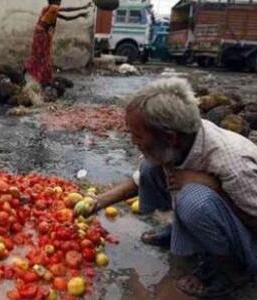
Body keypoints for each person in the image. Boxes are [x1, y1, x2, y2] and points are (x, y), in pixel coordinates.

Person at [93, 78, 257, 298]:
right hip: (216, 204)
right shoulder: (182, 139)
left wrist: (214, 187)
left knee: (194, 201)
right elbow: (140, 179)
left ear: (170, 137)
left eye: (138, 136)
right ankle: (181, 231)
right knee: (150, 167)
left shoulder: (234, 163)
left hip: (249, 239)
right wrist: (100, 201)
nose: (133, 141)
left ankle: (227, 271)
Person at [25, 0, 91, 86]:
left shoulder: (49, 8)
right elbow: (68, 11)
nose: (60, 2)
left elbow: (65, 17)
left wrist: (81, 11)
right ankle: (40, 77)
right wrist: (82, 10)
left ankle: (33, 74)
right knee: (42, 56)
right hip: (42, 34)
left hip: (39, 33)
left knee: (39, 55)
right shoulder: (54, 7)